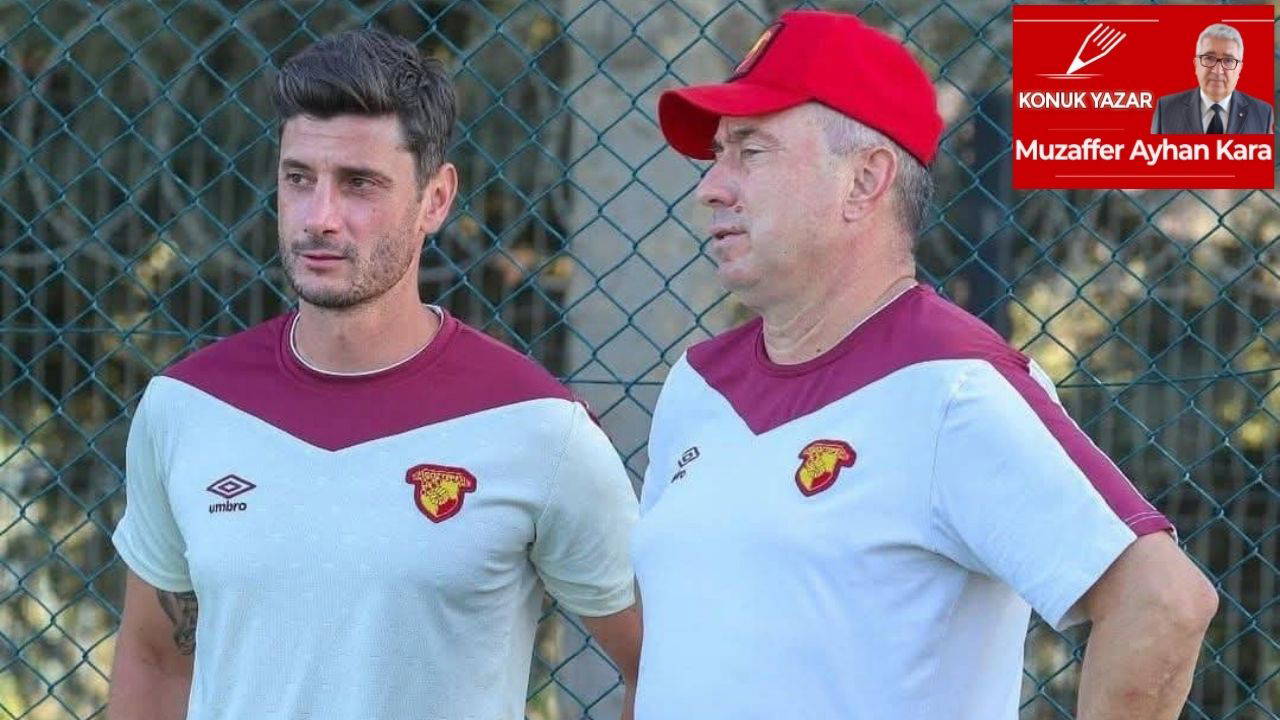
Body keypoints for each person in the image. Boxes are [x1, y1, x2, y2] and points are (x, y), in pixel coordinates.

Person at [633, 10, 1218, 719]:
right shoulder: (697, 382)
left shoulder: (956, 385)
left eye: (750, 151)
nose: (711, 186)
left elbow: (1162, 601)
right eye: (718, 153)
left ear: (864, 181)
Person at [108, 28, 641, 720]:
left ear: (436, 198)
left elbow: (659, 665)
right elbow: (154, 660)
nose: (320, 218)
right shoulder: (187, 407)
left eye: (359, 184)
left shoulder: (538, 429)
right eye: (299, 178)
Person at [1150, 23, 1274, 134]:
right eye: (1209, 58)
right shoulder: (1166, 109)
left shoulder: (1263, 114)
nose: (1217, 70)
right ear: (1196, 64)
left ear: (1239, 68)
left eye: (1228, 60)